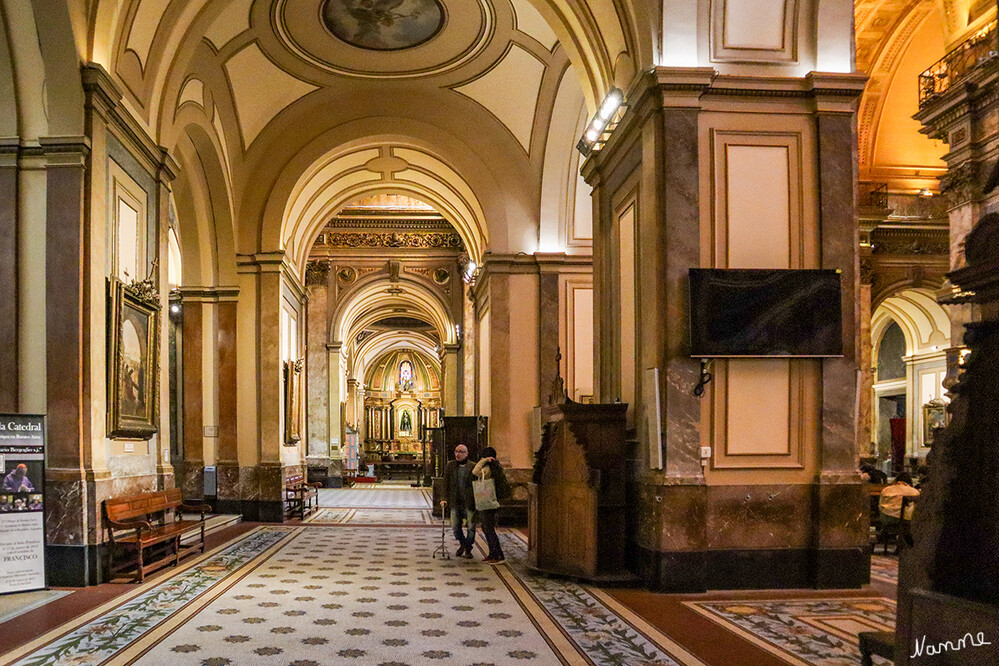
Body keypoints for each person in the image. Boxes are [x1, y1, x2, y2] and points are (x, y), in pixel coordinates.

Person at [472, 446, 510, 564]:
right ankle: (493, 554)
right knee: (487, 528)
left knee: (488, 529)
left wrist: (484, 460)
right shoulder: (494, 467)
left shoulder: (487, 468)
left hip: (487, 502)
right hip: (490, 501)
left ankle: (498, 555)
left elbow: (475, 471)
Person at [440, 444, 477, 558]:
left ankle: (467, 547)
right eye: (456, 451)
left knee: (471, 527)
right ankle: (464, 544)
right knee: (455, 526)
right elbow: (445, 483)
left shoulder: (473, 466)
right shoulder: (450, 465)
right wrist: (443, 498)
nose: (457, 454)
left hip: (469, 502)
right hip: (455, 500)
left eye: (461, 451)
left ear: (466, 453)